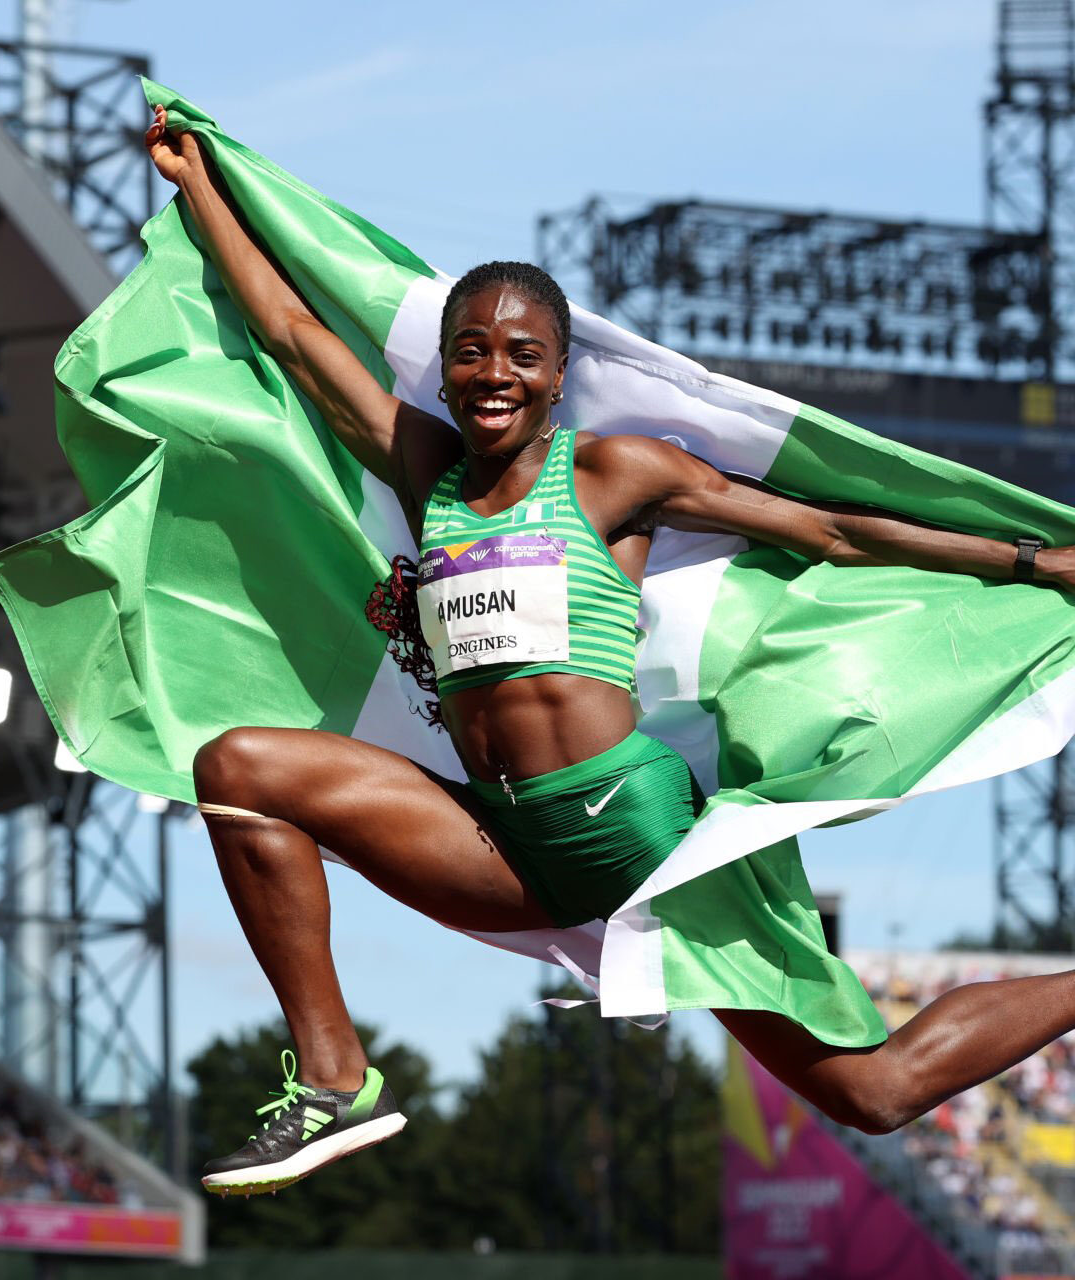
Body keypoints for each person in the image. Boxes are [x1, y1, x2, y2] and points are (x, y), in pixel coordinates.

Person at [145, 105, 1075, 1197]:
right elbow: (298, 337)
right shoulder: (423, 473)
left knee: (873, 1091)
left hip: (629, 829)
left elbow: (825, 527)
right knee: (238, 768)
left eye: (521, 355)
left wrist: (1028, 560)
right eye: (470, 351)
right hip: (496, 839)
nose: (494, 371)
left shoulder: (611, 473)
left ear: (556, 371)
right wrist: (197, 187)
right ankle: (335, 1076)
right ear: (442, 370)